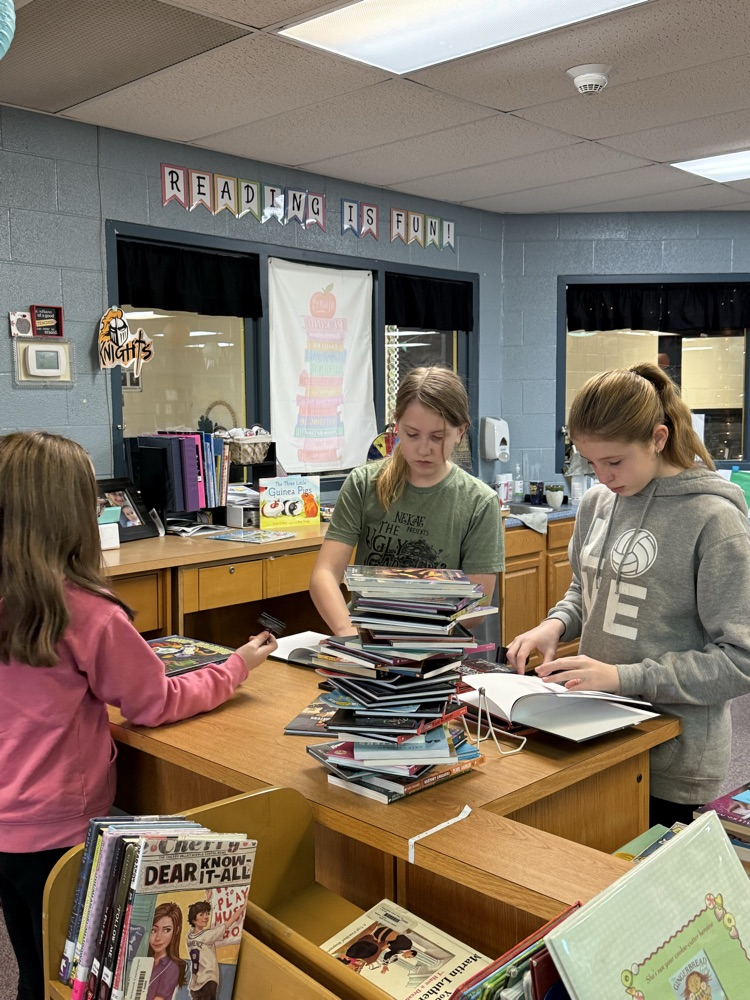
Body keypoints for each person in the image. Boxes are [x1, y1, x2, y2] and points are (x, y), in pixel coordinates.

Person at [0, 431, 278, 1000]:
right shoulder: (87, 612)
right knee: (76, 977)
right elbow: (154, 703)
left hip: (6, 832)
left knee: (33, 966)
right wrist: (235, 667)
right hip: (63, 835)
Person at [506, 362, 750, 828]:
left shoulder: (715, 521)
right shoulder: (600, 502)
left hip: (672, 759)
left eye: (614, 462)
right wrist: (553, 624)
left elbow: (741, 660)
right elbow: (587, 588)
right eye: (590, 462)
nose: (602, 477)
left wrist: (623, 677)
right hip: (597, 737)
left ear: (658, 438)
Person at [310, 366, 504, 635]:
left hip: (435, 653)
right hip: (365, 641)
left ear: (460, 431)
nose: (424, 449)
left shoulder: (479, 503)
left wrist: (410, 637)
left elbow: (475, 606)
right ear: (396, 423)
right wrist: (349, 635)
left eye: (438, 437)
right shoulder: (364, 484)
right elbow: (325, 575)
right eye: (412, 434)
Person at [186, 898, 244, 1000]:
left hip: (208, 979)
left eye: (207, 914)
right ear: (194, 920)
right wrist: (207, 899)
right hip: (197, 982)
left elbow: (228, 923)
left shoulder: (198, 935)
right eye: (202, 915)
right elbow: (228, 923)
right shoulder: (197, 935)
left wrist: (243, 907)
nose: (206, 917)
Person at [146, 902, 187, 1000]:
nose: (158, 938)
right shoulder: (145, 960)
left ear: (176, 930)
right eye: (154, 930)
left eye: (166, 930)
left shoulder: (172, 967)